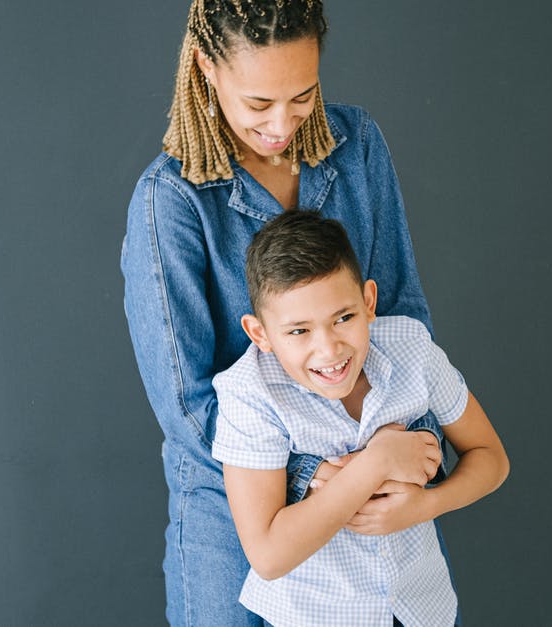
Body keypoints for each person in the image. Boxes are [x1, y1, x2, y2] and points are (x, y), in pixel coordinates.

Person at [122, 1, 451, 624]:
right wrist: (311, 472)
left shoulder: (356, 147)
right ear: (207, 67)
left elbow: (402, 321)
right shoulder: (171, 199)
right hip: (237, 511)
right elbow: (188, 405)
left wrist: (409, 445)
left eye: (302, 96)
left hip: (374, 484)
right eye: (258, 103)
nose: (281, 124)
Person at [212, 211, 510, 627]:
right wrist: (377, 462)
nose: (329, 350)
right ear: (260, 334)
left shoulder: (411, 349)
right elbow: (268, 555)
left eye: (343, 318)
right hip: (318, 617)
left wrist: (426, 505)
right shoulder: (249, 393)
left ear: (368, 302)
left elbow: (491, 457)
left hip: (422, 610)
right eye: (299, 331)